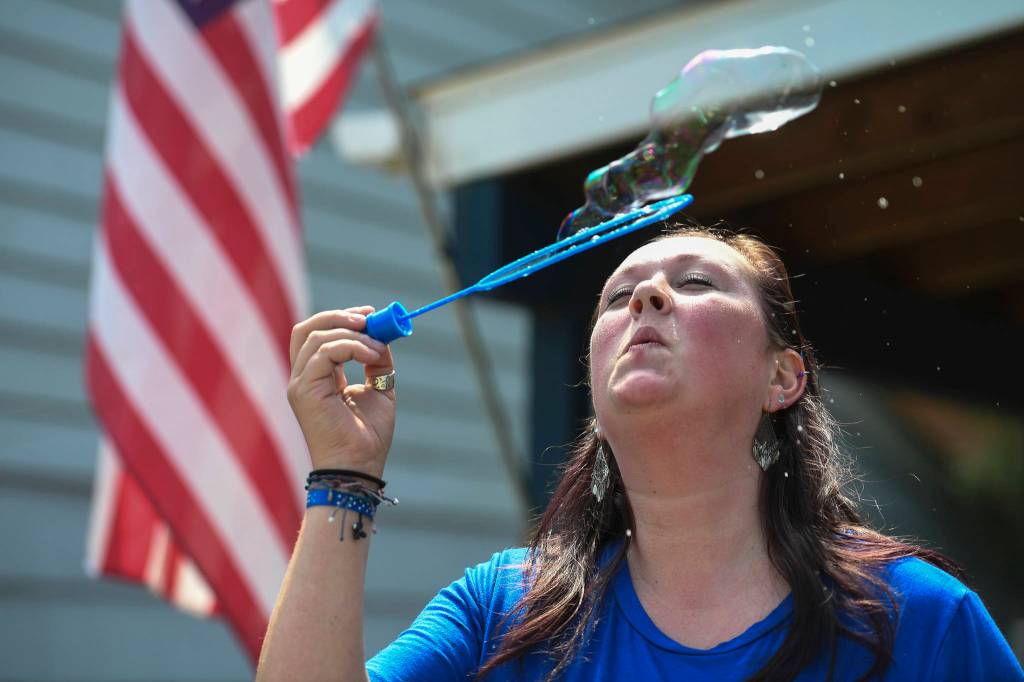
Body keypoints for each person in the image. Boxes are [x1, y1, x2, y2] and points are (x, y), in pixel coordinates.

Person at [256, 225, 1023, 681]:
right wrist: (343, 474)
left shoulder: (915, 618)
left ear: (782, 377)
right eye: (619, 297)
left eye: (693, 283)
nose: (647, 300)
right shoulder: (506, 613)